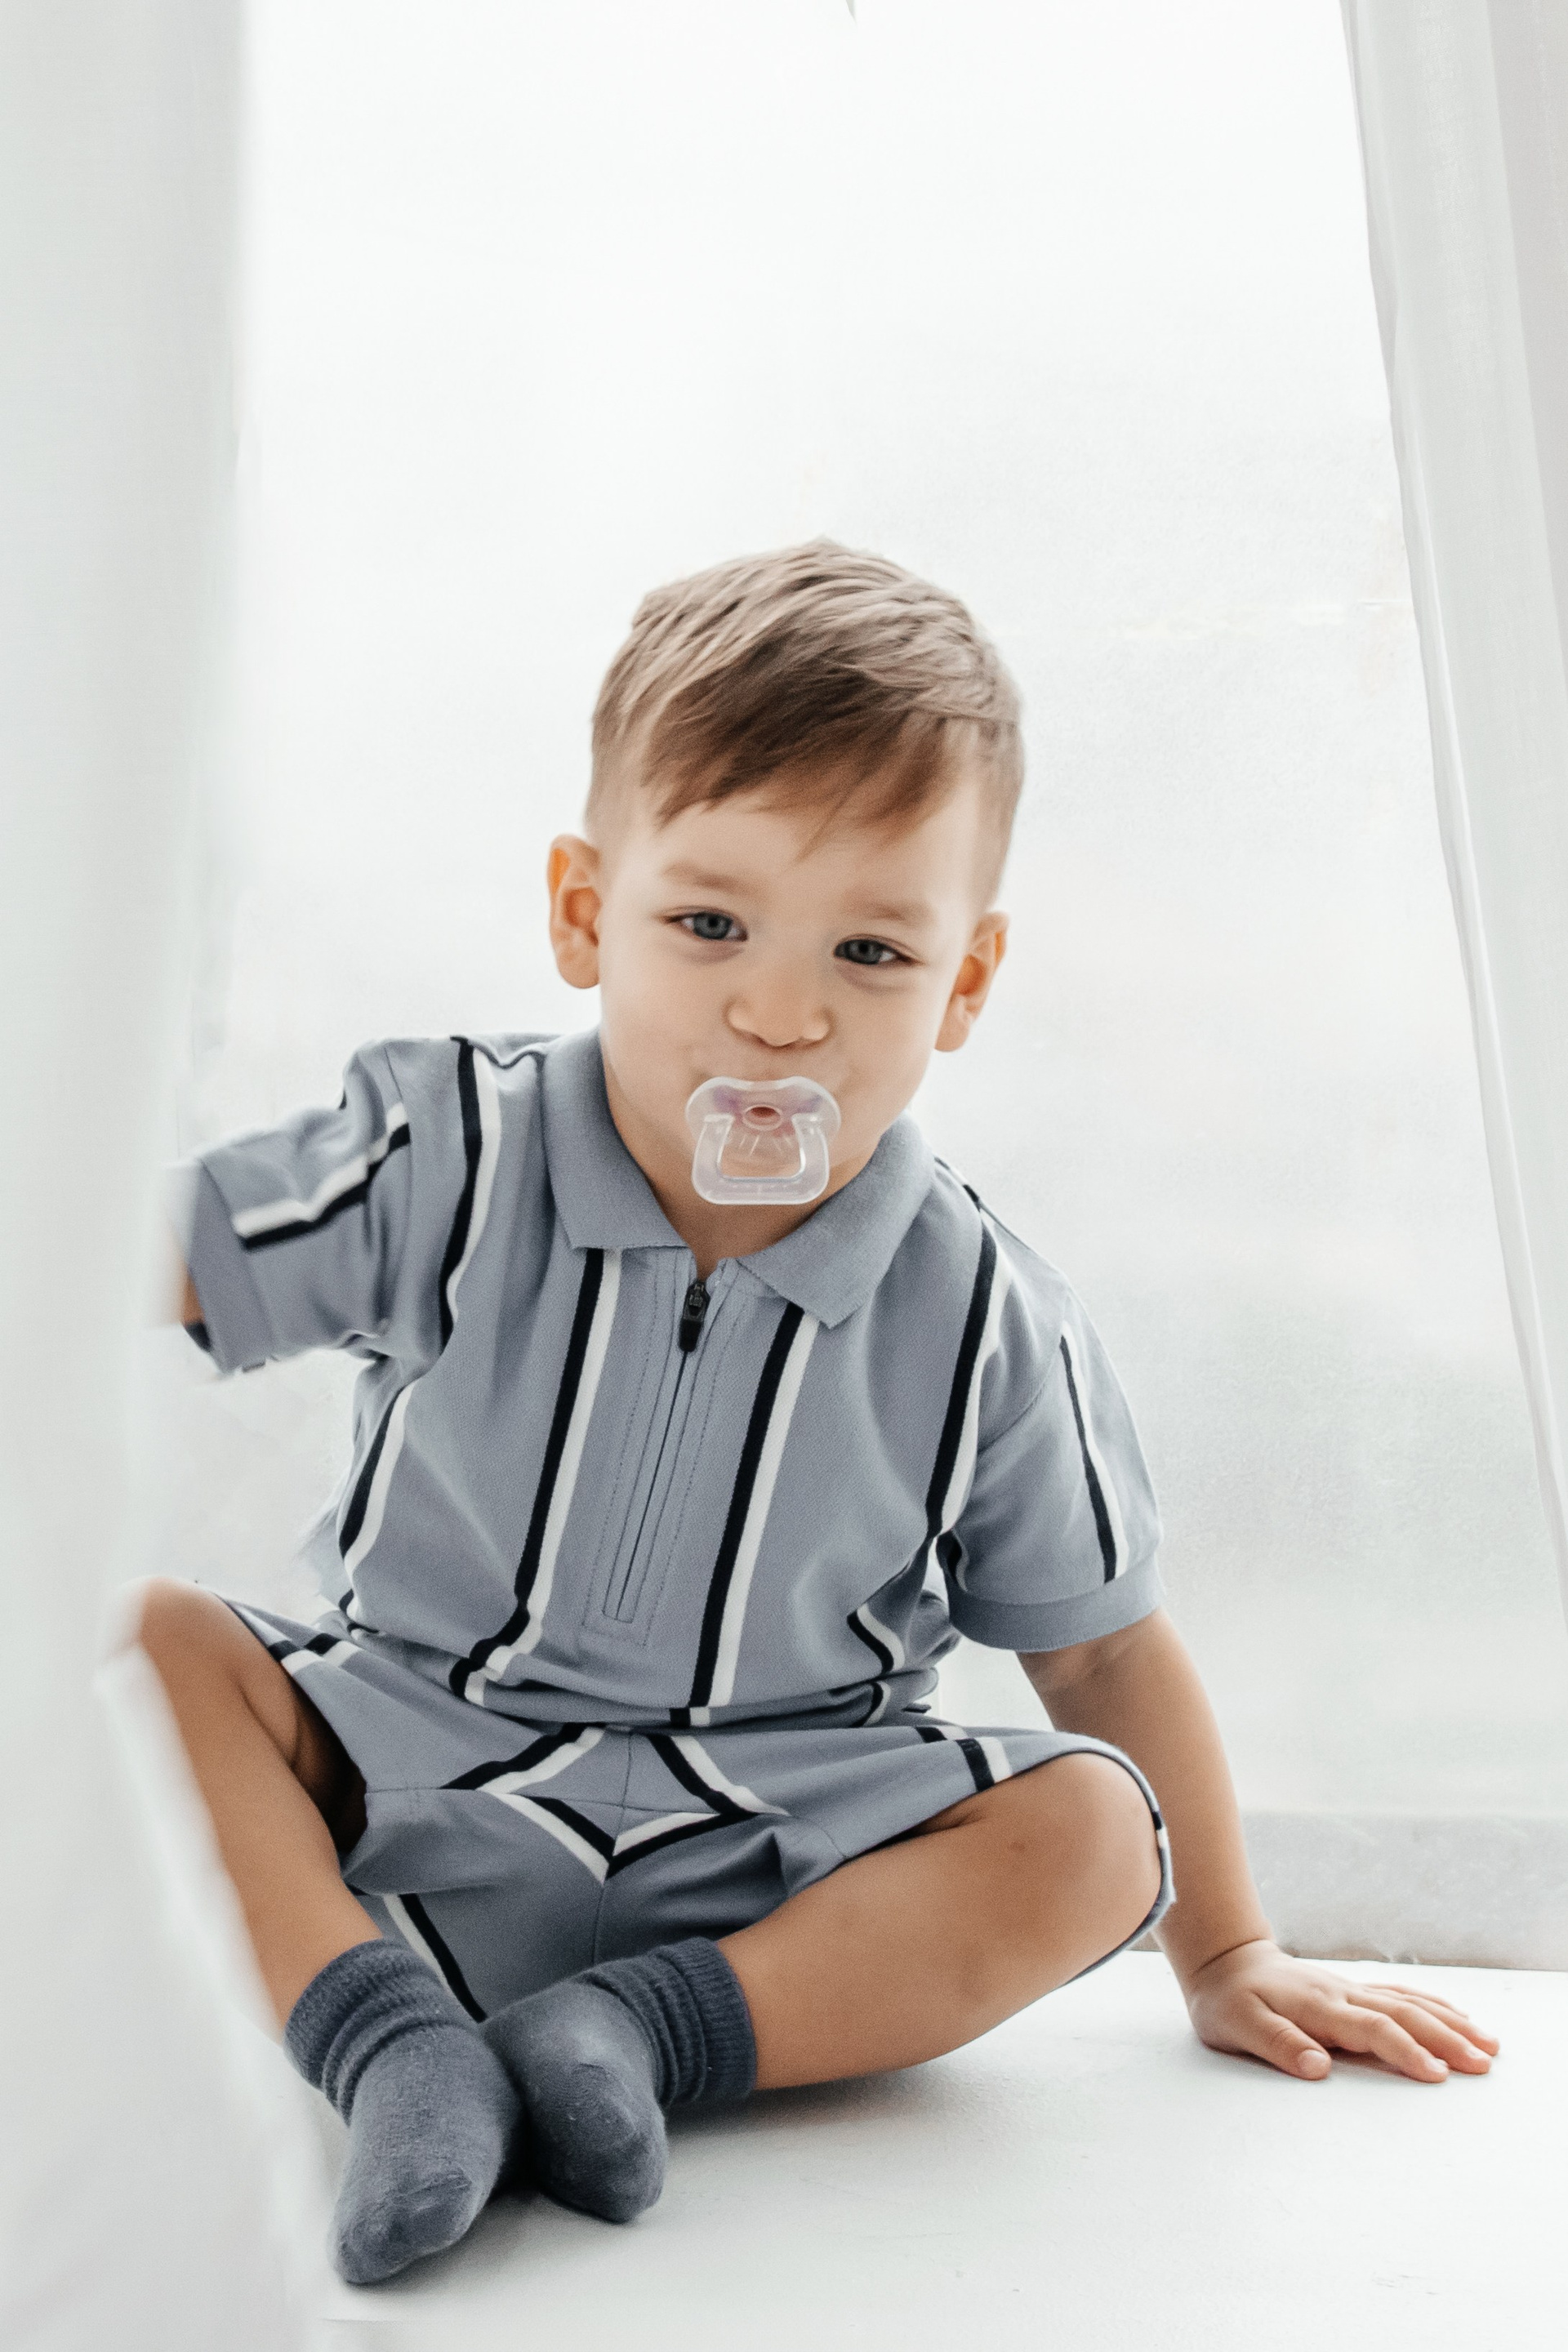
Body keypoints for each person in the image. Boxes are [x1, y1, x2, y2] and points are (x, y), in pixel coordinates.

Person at [134, 541, 1497, 2287]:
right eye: (709, 925)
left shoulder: (980, 1307)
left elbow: (1100, 1656)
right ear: (583, 912)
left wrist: (1229, 1951)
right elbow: (145, 1252)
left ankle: (636, 2035)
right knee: (142, 1647)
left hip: (777, 1863)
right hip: (411, 1777)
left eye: (870, 949)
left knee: (1098, 1834)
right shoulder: (444, 1156)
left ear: (966, 983)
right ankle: (387, 2039)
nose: (780, 1016)